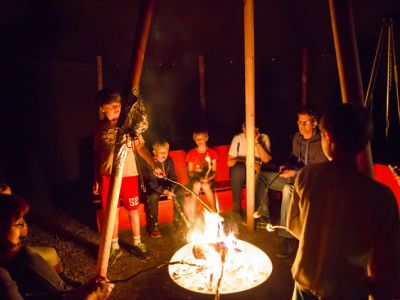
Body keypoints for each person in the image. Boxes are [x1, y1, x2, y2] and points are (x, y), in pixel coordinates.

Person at [288, 103, 400, 300]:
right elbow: (387, 271)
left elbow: (295, 226)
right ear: (364, 140)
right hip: (347, 291)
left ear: (327, 135)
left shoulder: (308, 176)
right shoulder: (380, 197)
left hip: (304, 285)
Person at [0, 193, 114, 299]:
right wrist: (86, 296)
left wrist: (79, 292)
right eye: (17, 223)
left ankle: (65, 286)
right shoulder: (3, 279)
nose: (23, 229)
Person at [92, 89, 160, 262]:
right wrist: (96, 179)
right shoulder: (100, 128)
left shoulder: (129, 124)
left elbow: (140, 147)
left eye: (118, 105)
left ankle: (137, 243)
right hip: (107, 176)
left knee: (133, 210)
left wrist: (154, 165)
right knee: (111, 212)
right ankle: (114, 247)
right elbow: (96, 154)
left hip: (129, 174)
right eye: (112, 106)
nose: (116, 109)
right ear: (102, 108)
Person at [254, 108, 327, 258]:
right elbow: (294, 157)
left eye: (305, 123)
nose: (301, 126)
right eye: (299, 122)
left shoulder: (321, 142)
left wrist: (295, 173)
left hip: (311, 182)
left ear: (314, 123)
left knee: (288, 189)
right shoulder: (297, 137)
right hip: (294, 176)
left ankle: (288, 237)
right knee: (262, 177)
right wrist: (286, 165)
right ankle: (264, 216)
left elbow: (317, 170)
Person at [228, 123, 272, 219]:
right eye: (246, 129)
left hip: (257, 171)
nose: (249, 132)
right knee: (237, 169)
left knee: (261, 175)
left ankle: (261, 213)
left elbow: (266, 159)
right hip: (240, 173)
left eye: (253, 129)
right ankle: (236, 209)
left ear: (257, 129)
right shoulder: (238, 138)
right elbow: (229, 162)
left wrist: (257, 142)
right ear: (243, 129)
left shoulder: (264, 138)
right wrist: (248, 162)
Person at [143, 140, 183, 238]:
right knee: (153, 196)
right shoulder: (150, 163)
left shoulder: (169, 161)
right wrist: (165, 191)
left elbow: (173, 178)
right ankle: (154, 226)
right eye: (161, 152)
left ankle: (179, 222)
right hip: (153, 187)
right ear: (154, 152)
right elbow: (151, 183)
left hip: (166, 185)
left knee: (180, 191)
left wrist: (172, 189)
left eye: (166, 151)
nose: (164, 154)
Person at [185, 129, 218, 223]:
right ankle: (192, 214)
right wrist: (198, 178)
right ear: (194, 140)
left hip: (208, 179)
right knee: (197, 185)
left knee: (205, 185)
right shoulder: (191, 154)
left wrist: (208, 178)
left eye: (201, 138)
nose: (199, 141)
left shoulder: (212, 153)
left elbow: (214, 171)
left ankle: (214, 211)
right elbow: (190, 172)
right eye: (197, 139)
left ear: (206, 138)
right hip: (195, 179)